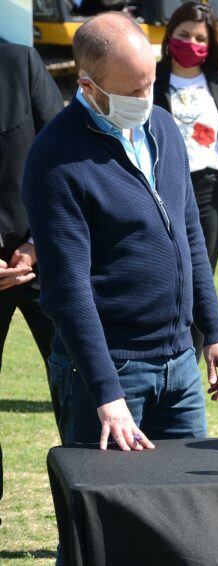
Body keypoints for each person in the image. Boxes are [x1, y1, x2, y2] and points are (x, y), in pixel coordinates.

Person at [22, 12, 218, 452]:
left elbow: (190, 235)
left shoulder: (162, 128)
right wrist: (106, 391)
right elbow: (67, 288)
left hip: (180, 365)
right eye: (132, 91)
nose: (145, 98)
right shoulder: (56, 160)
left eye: (150, 84)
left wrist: (213, 331)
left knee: (189, 505)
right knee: (111, 516)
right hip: (112, 375)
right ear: (87, 87)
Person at [153, 1, 218, 361]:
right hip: (167, 187)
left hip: (211, 192)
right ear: (169, 36)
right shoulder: (154, 77)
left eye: (199, 38)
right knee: (168, 278)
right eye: (183, 35)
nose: (190, 43)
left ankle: (187, 363)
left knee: (199, 281)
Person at [0, 42, 64, 517]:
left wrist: (38, 242)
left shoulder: (19, 62)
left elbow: (63, 154)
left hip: (43, 261)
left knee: (80, 389)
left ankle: (84, 519)